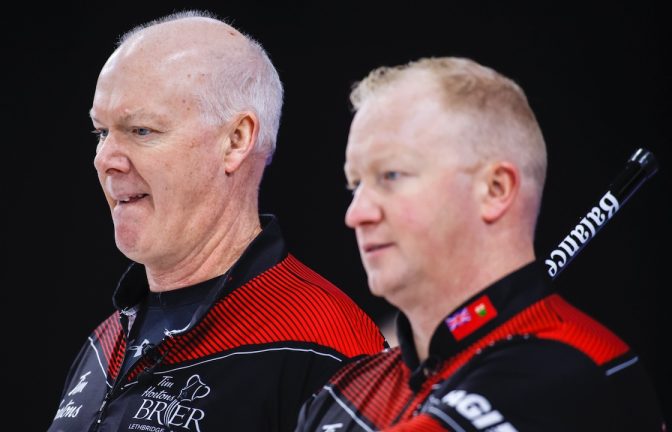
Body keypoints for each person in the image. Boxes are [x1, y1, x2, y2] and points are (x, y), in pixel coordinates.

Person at [47, 11, 385, 432]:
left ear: (236, 141)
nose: (105, 160)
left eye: (141, 130)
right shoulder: (105, 340)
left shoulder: (325, 347)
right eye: (101, 132)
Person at [295, 57, 665, 431]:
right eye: (355, 184)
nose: (356, 213)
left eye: (390, 175)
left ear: (495, 190)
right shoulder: (343, 389)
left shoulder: (569, 369)